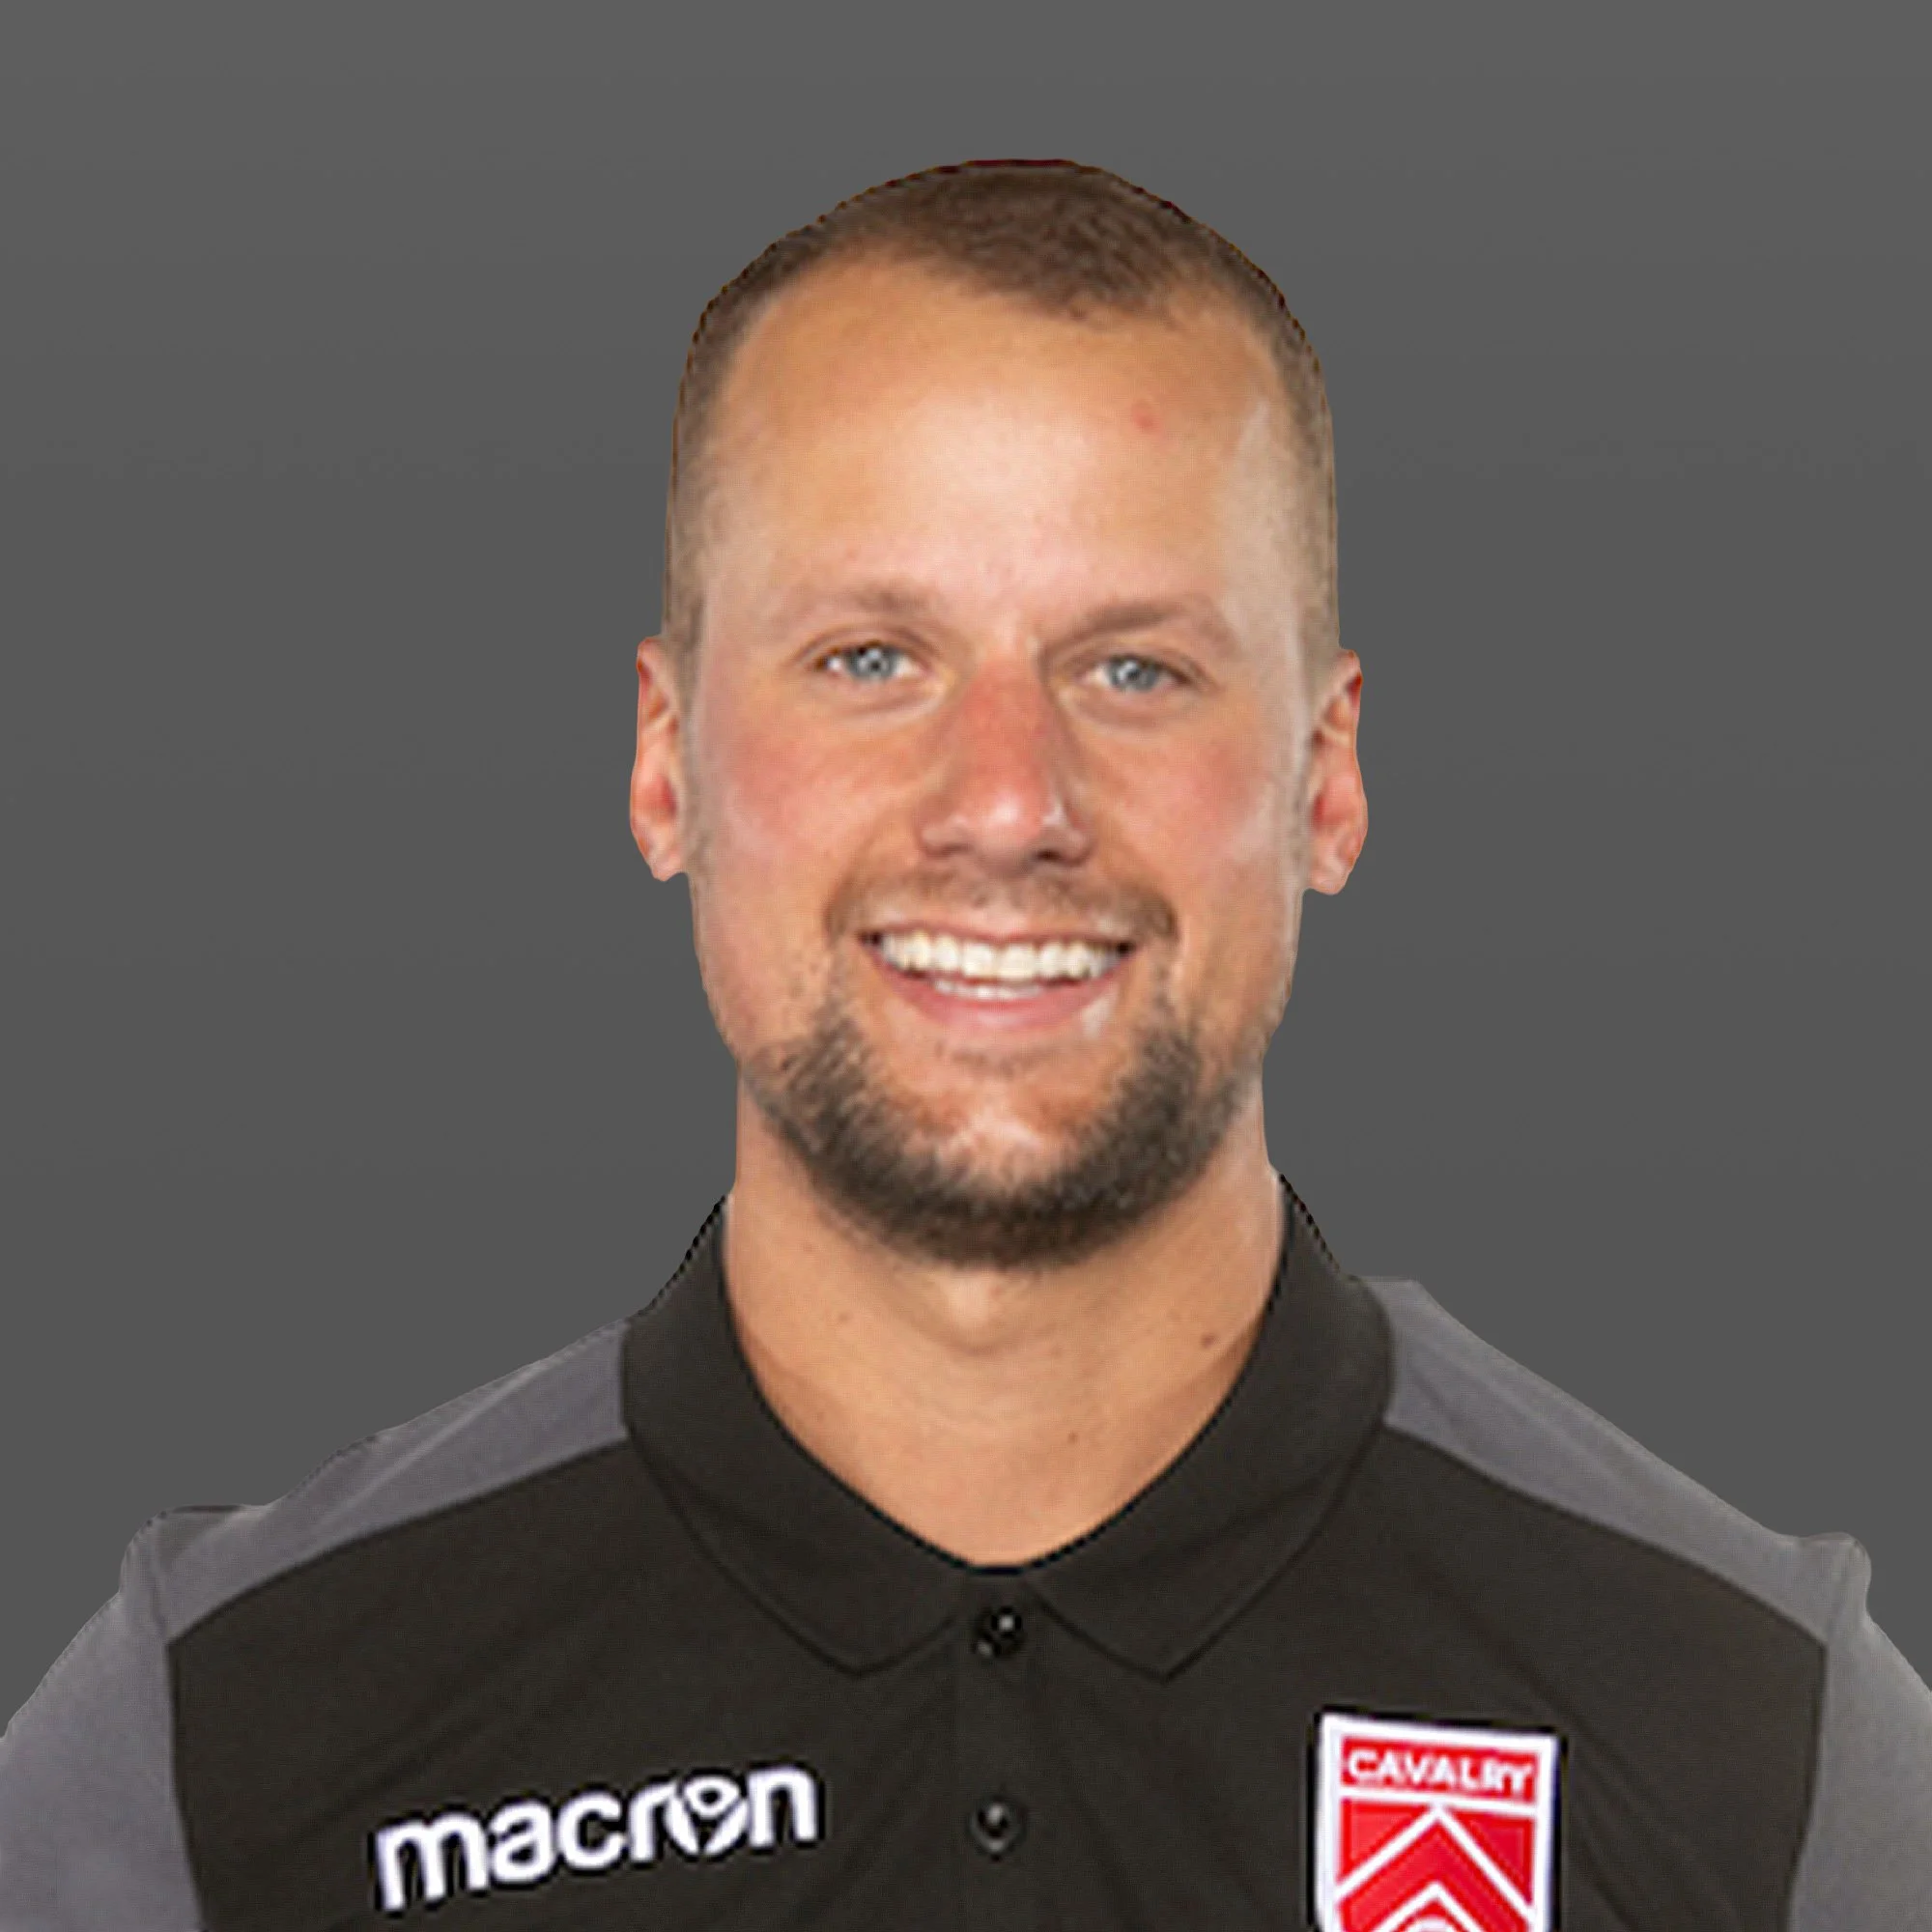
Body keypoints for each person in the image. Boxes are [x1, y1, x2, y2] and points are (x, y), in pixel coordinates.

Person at [2, 158, 1926, 1932]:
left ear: (1324, 781)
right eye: (869, 659)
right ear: (665, 757)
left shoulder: (1758, 1742)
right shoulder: (230, 1734)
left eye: (1132, 668)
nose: (1006, 802)